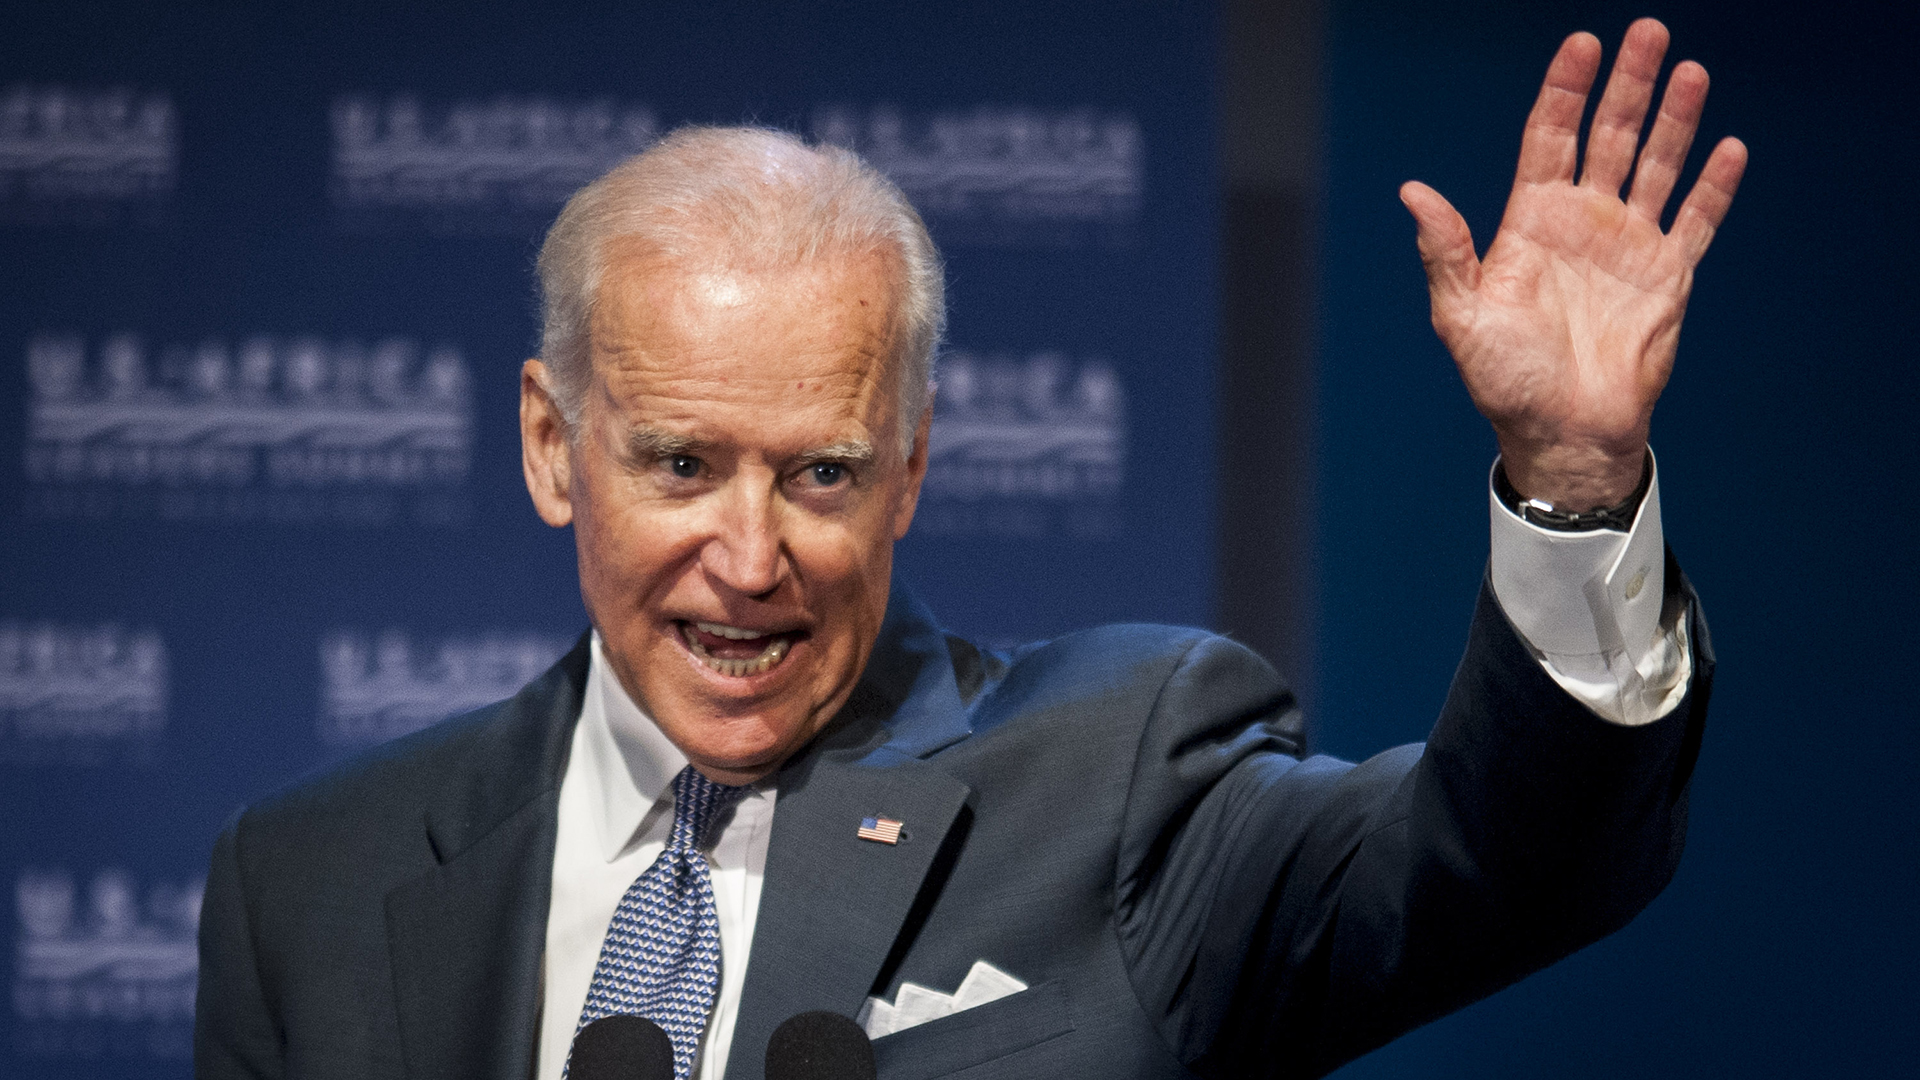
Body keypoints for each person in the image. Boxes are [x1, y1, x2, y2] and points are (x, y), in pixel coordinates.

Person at [194, 18, 1744, 1080]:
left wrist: (1574, 477)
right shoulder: (312, 881)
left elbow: (1499, 871)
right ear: (552, 446)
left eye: (820, 472)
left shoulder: (1119, 784)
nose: (748, 557)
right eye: (680, 464)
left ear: (913, 468)